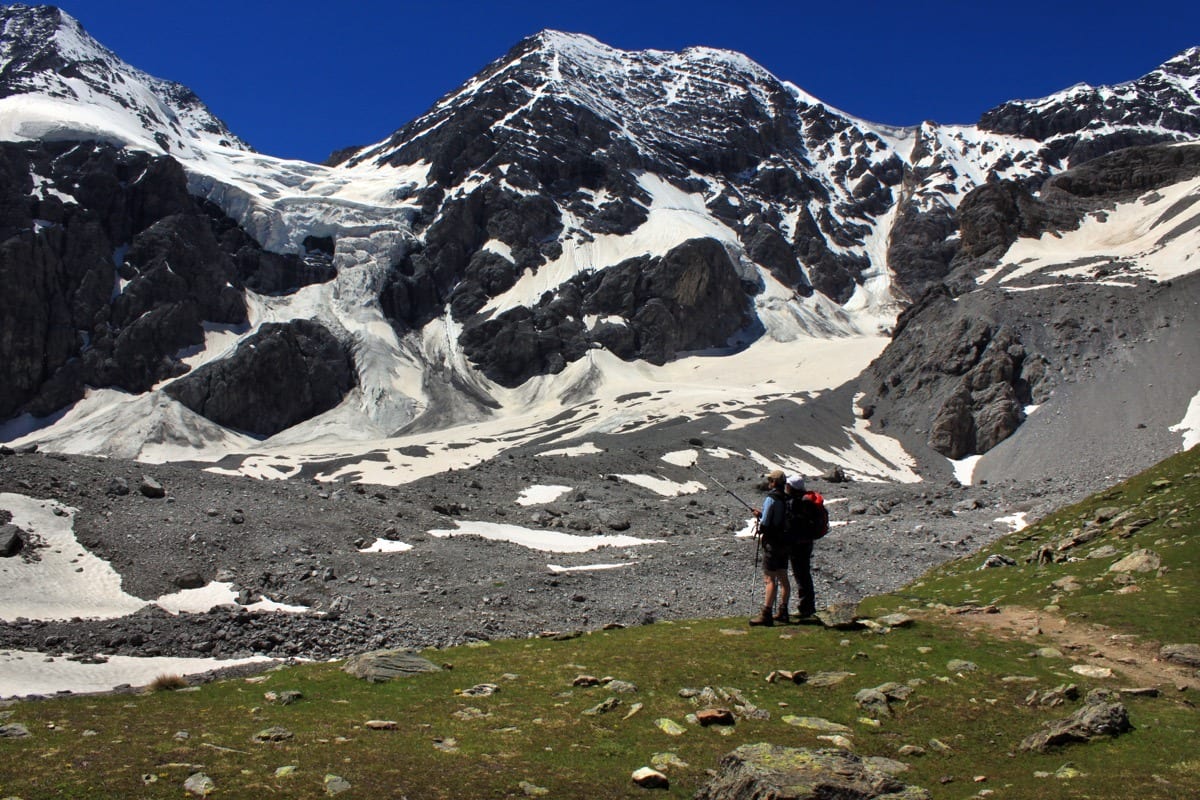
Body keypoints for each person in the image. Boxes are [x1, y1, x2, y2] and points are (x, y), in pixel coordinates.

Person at [749, 469, 790, 626]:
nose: (768, 483)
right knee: (783, 576)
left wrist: (759, 516)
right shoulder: (787, 498)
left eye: (770, 480)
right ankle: (783, 611)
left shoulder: (770, 499)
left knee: (769, 578)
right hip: (785, 542)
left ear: (773, 483)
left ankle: (766, 614)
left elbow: (765, 522)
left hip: (772, 542)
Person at [784, 474, 817, 620]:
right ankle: (807, 606)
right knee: (804, 574)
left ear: (791, 487)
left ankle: (806, 608)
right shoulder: (807, 500)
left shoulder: (795, 502)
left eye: (788, 485)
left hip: (797, 544)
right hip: (807, 542)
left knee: (801, 575)